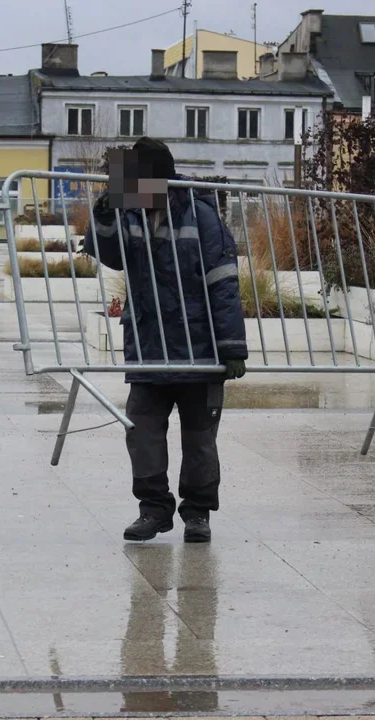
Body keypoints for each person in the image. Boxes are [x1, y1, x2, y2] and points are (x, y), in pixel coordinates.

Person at [82, 137, 248, 544]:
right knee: (141, 429)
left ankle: (198, 513)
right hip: (150, 347)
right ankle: (153, 509)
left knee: (199, 439)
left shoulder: (201, 216)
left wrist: (232, 347)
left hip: (200, 349)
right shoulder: (131, 213)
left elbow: (224, 284)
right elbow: (109, 252)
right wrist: (105, 210)